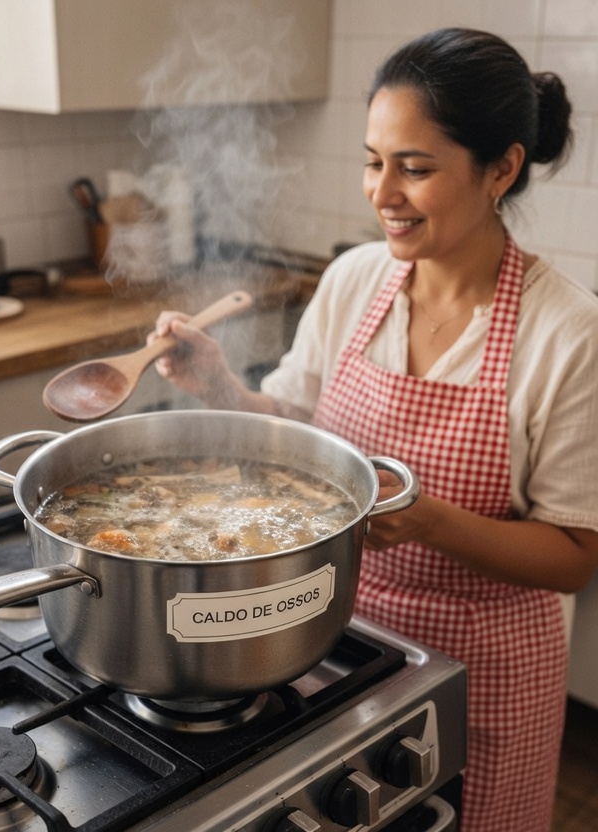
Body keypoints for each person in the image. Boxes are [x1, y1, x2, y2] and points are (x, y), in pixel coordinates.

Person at [148, 27, 598, 832]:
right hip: (333, 640)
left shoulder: (569, 332)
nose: (381, 192)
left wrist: (426, 520)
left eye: (415, 168)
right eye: (372, 160)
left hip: (482, 671)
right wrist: (218, 384)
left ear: (502, 169)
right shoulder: (359, 279)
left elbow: (575, 555)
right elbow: (297, 430)